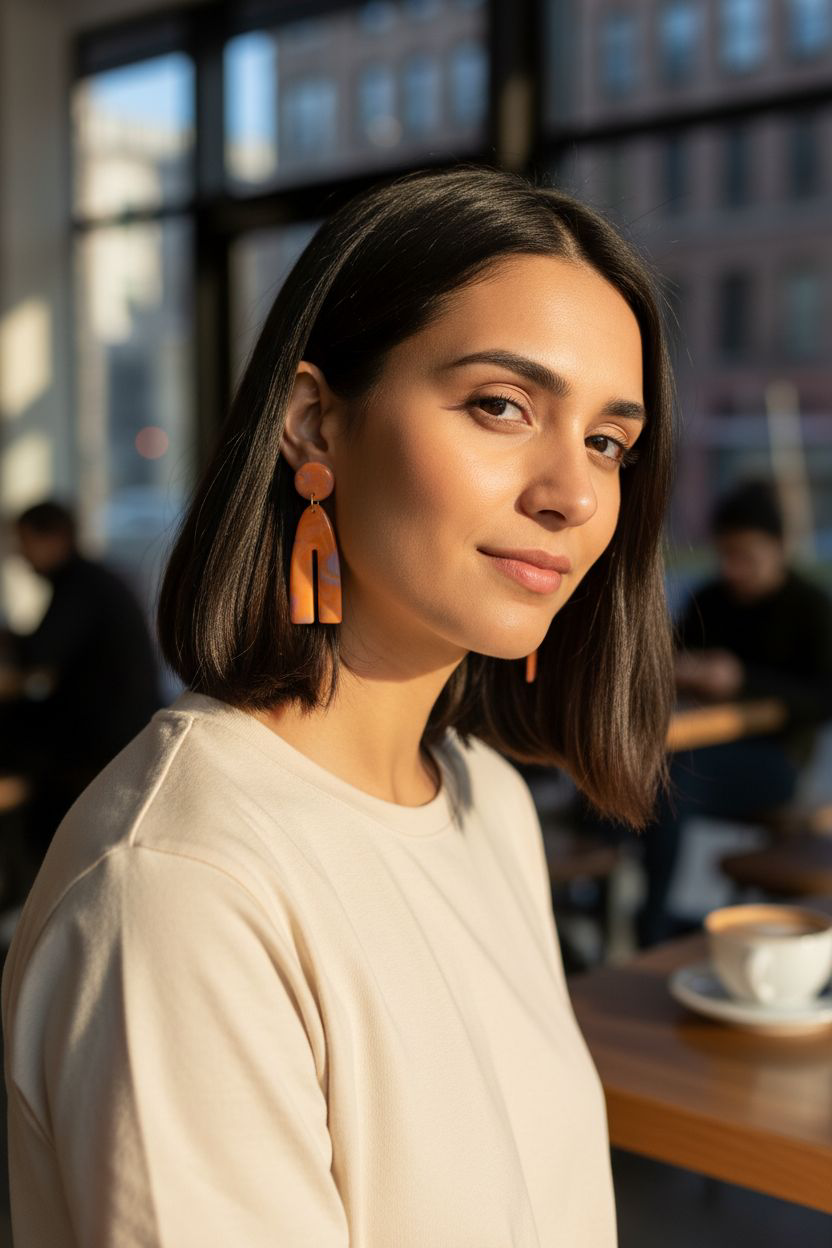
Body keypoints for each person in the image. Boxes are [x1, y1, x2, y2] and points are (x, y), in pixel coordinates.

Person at [1, 164, 675, 1247]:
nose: (576, 493)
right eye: (502, 406)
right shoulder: (182, 886)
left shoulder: (486, 799)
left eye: (608, 441)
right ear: (314, 422)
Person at [638, 478, 832, 947]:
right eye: (726, 554)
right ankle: (602, 904)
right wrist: (682, 670)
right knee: (624, 774)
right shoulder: (710, 599)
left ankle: (654, 925)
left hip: (778, 762)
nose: (734, 568)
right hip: (700, 743)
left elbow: (824, 698)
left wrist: (741, 678)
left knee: (668, 781)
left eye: (747, 555)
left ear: (780, 548)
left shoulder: (810, 607)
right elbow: (667, 661)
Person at [0, 500, 163, 873]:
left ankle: (21, 870)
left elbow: (39, 654)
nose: (20, 555)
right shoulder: (88, 580)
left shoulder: (80, 585)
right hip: (114, 725)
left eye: (24, 542)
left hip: (105, 734)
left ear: (55, 539)